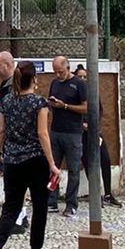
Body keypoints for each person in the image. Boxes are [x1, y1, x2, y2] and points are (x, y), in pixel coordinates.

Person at [0, 61, 59, 249]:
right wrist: (52, 163)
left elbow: (2, 131)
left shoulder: (7, 101)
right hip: (36, 160)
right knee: (40, 207)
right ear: (34, 79)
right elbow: (43, 134)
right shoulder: (39, 103)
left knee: (11, 208)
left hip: (12, 161)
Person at [47, 55, 87, 217]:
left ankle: (71, 203)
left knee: (73, 169)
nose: (58, 75)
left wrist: (64, 106)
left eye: (61, 72)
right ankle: (51, 200)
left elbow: (85, 108)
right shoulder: (55, 83)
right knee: (53, 167)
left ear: (68, 68)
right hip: (56, 130)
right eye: (55, 72)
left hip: (73, 132)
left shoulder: (79, 84)